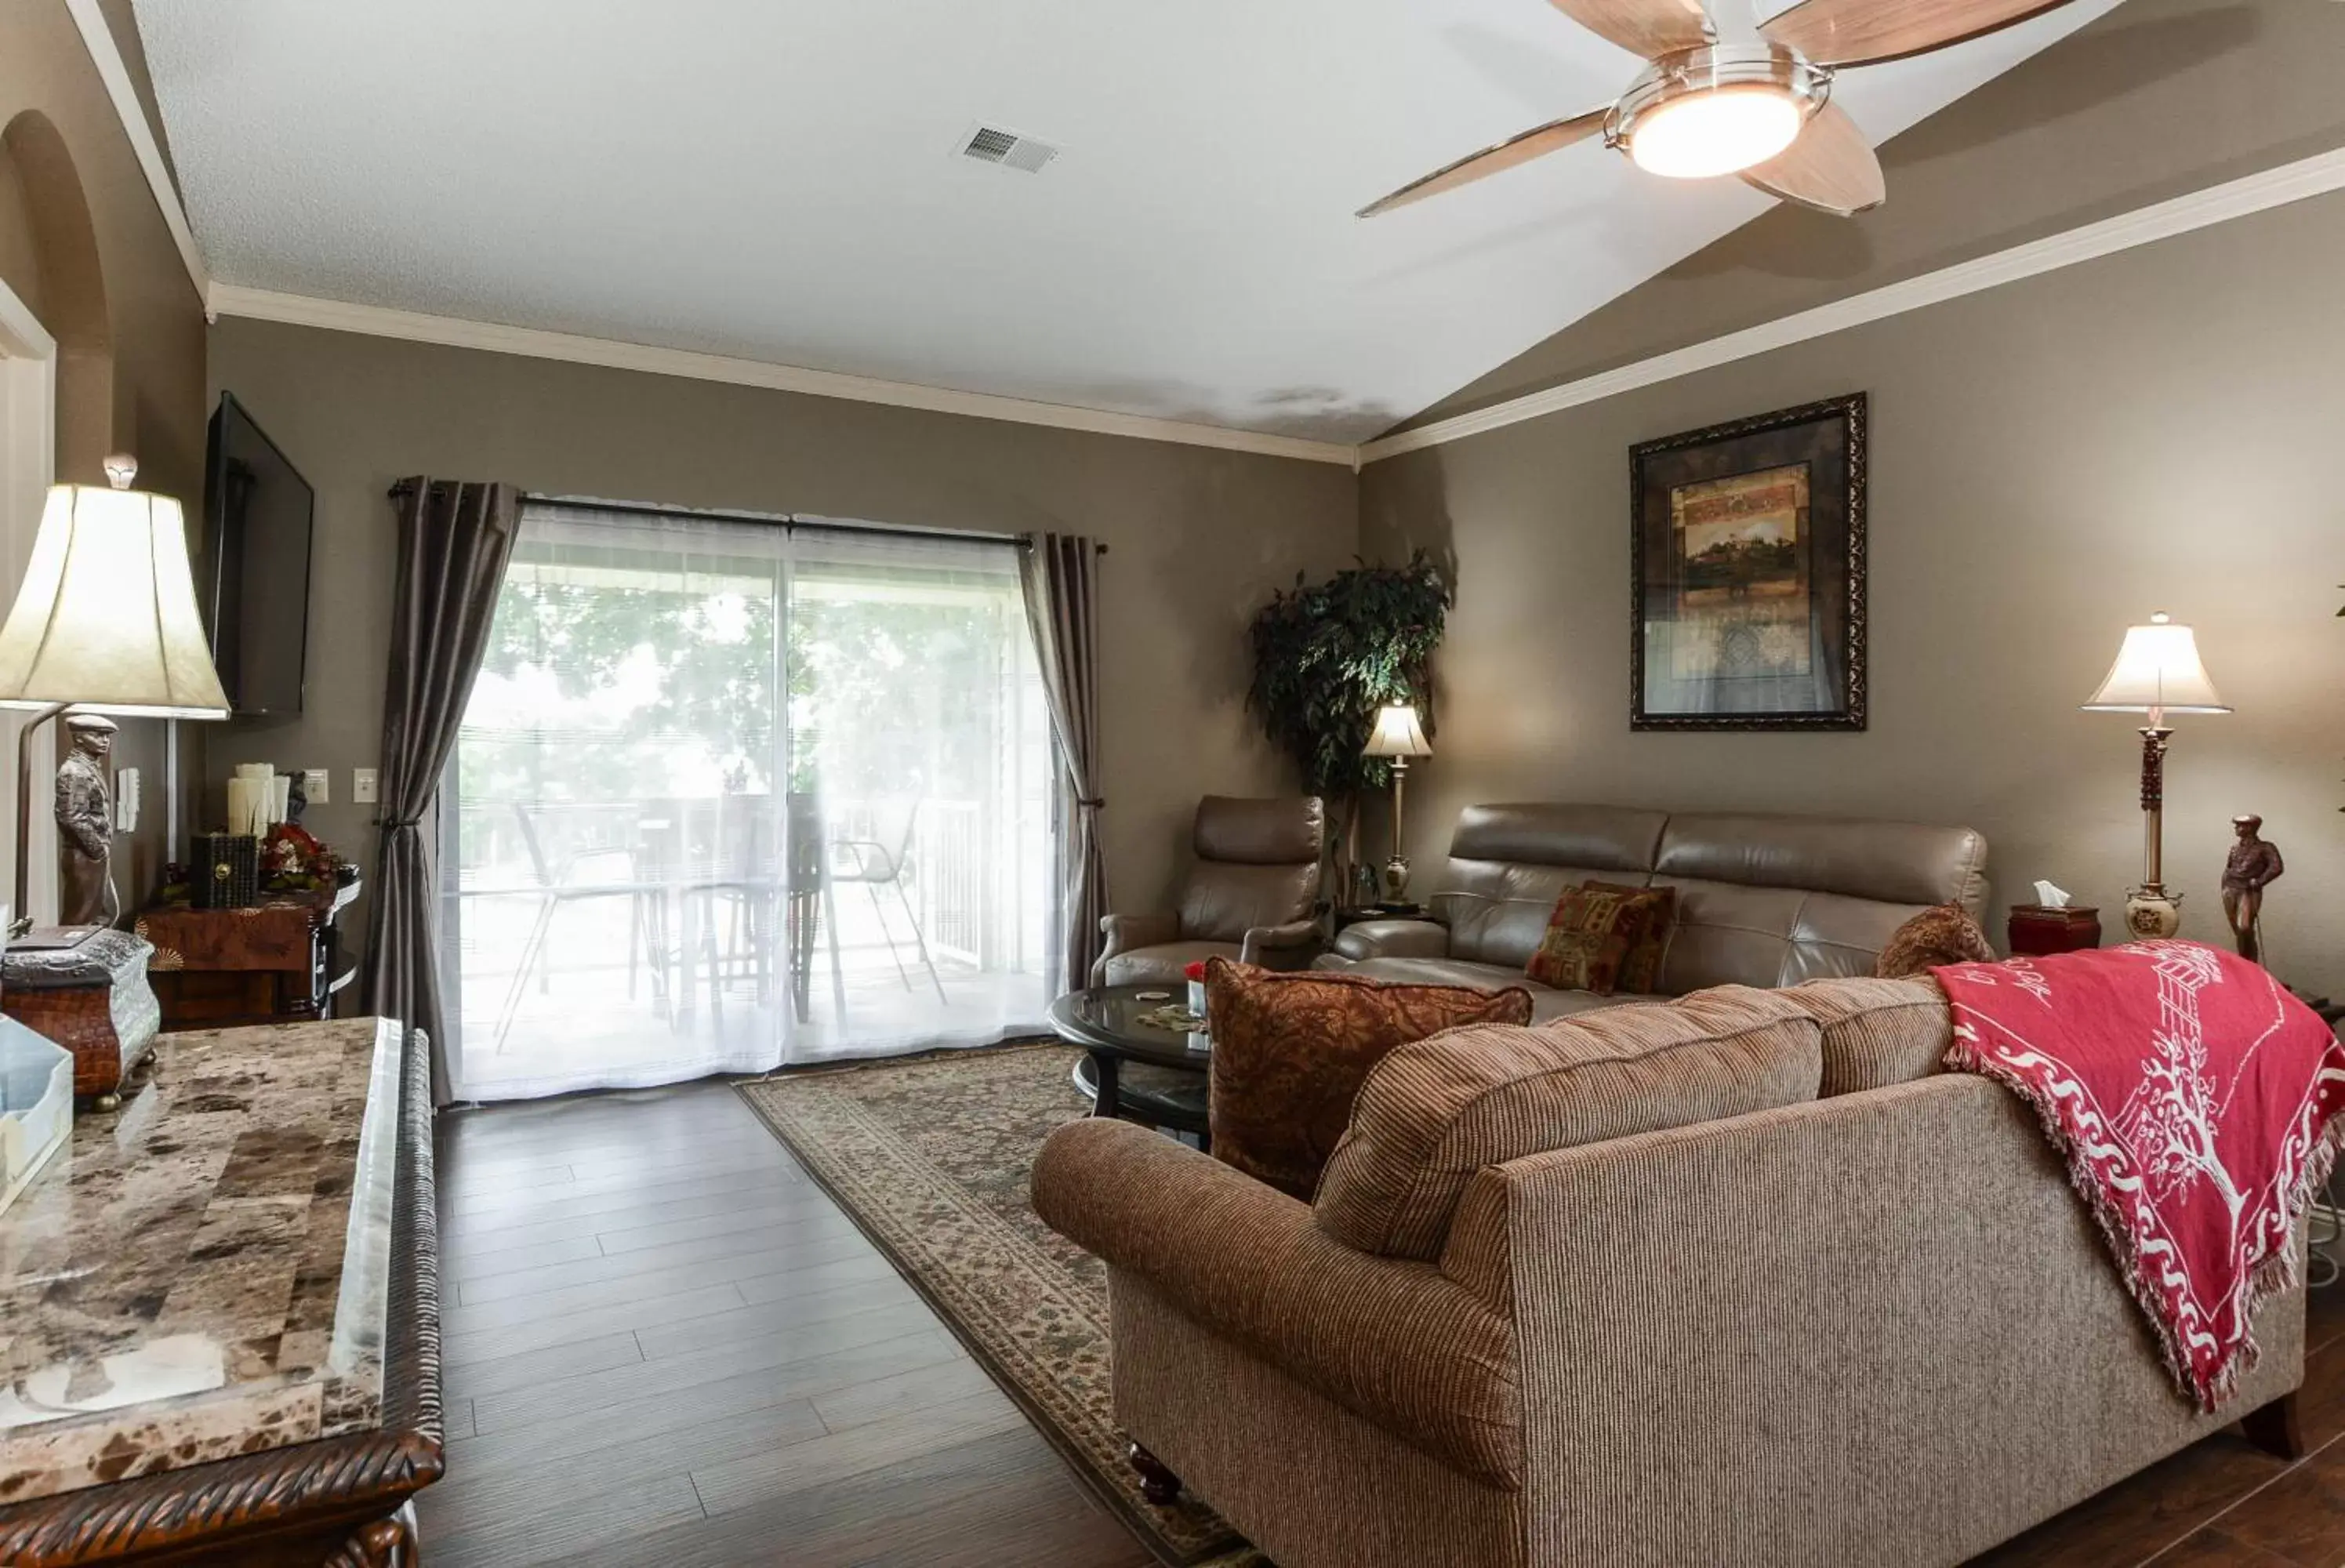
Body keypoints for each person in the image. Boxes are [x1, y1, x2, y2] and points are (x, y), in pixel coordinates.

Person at [55, 713, 118, 927]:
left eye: (108, 736)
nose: (105, 741)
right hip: (84, 854)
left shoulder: (88, 768)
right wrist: (98, 850)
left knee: (104, 913)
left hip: (92, 854)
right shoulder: (75, 772)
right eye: (99, 735)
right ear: (80, 737)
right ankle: (71, 959)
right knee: (81, 917)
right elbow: (72, 817)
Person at [2220, 813, 2285, 964]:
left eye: (2240, 825)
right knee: (2238, 930)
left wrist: (2260, 881)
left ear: (2250, 828)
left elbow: (2276, 867)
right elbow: (2229, 868)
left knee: (2245, 928)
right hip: (2230, 889)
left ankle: (2250, 962)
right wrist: (2224, 886)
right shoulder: (2235, 848)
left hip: (2248, 891)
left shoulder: (2265, 847)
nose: (2236, 828)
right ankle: (2245, 962)